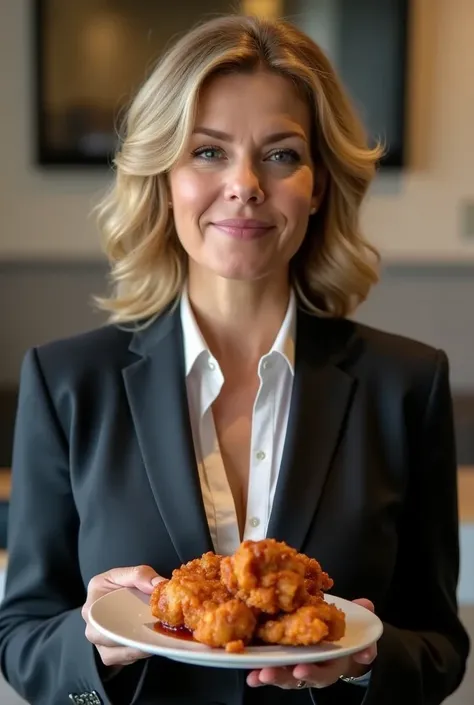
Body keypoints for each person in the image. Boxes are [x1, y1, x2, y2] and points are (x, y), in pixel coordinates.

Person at [0, 13, 469, 705]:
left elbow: (438, 644)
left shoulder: (406, 385)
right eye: (208, 151)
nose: (245, 183)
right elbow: (21, 639)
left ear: (319, 185)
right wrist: (93, 640)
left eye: (281, 153)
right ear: (164, 176)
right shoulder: (67, 384)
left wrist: (366, 661)